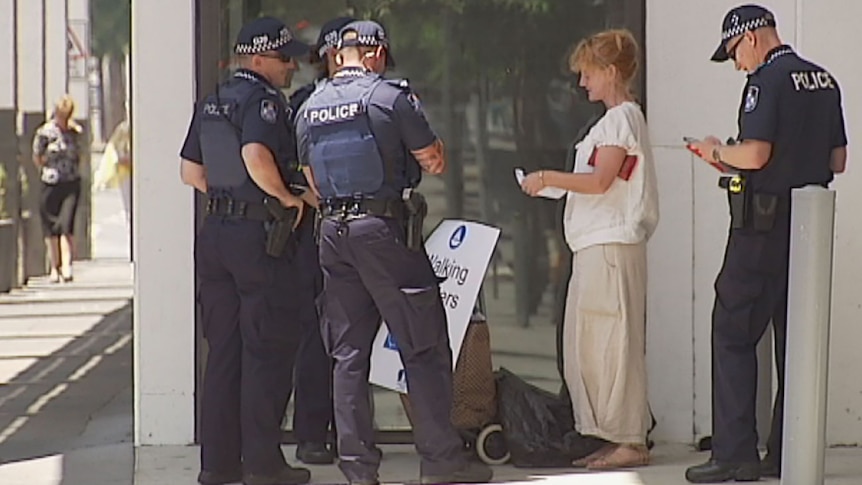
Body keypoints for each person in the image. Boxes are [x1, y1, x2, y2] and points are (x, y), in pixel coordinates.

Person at [295, 20, 493, 485]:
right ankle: (442, 463)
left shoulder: (310, 105)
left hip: (333, 234)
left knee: (348, 356)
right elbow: (433, 159)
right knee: (422, 345)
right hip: (384, 233)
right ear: (376, 52)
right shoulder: (390, 97)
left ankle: (359, 471)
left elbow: (313, 182)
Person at [684, 5, 847, 483]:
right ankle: (785, 450)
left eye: (734, 52)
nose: (737, 64)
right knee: (793, 340)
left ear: (752, 38)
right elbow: (837, 159)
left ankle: (735, 454)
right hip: (807, 229)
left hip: (761, 229)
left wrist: (715, 150)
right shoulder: (825, 80)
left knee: (732, 332)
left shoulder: (765, 81)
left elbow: (756, 154)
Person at [179, 16, 317, 485]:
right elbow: (256, 156)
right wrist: (286, 199)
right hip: (256, 241)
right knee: (266, 351)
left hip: (215, 233)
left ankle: (217, 466)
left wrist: (228, 199)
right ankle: (263, 464)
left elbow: (191, 173)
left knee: (223, 354)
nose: (291, 68)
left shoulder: (213, 100)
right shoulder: (262, 103)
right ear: (258, 59)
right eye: (284, 59)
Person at [520, 28, 659, 470]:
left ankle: (628, 437)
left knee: (612, 341)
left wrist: (547, 178)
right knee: (594, 342)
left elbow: (600, 181)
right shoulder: (614, 121)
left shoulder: (620, 120)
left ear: (611, 72)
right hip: (597, 244)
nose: (583, 84)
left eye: (589, 74)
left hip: (610, 243)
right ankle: (615, 433)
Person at [285, 15, 355, 466]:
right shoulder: (303, 103)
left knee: (354, 336)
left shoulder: (374, 98)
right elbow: (285, 167)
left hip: (359, 229)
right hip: (318, 231)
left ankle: (351, 435)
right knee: (318, 335)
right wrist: (320, 200)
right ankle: (314, 432)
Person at [32, 94, 84, 283]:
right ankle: (55, 267)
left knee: (66, 224)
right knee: (51, 227)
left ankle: (67, 265)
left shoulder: (74, 131)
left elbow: (80, 154)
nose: (64, 118)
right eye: (62, 114)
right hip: (50, 182)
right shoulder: (45, 133)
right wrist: (47, 166)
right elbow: (37, 156)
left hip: (70, 182)